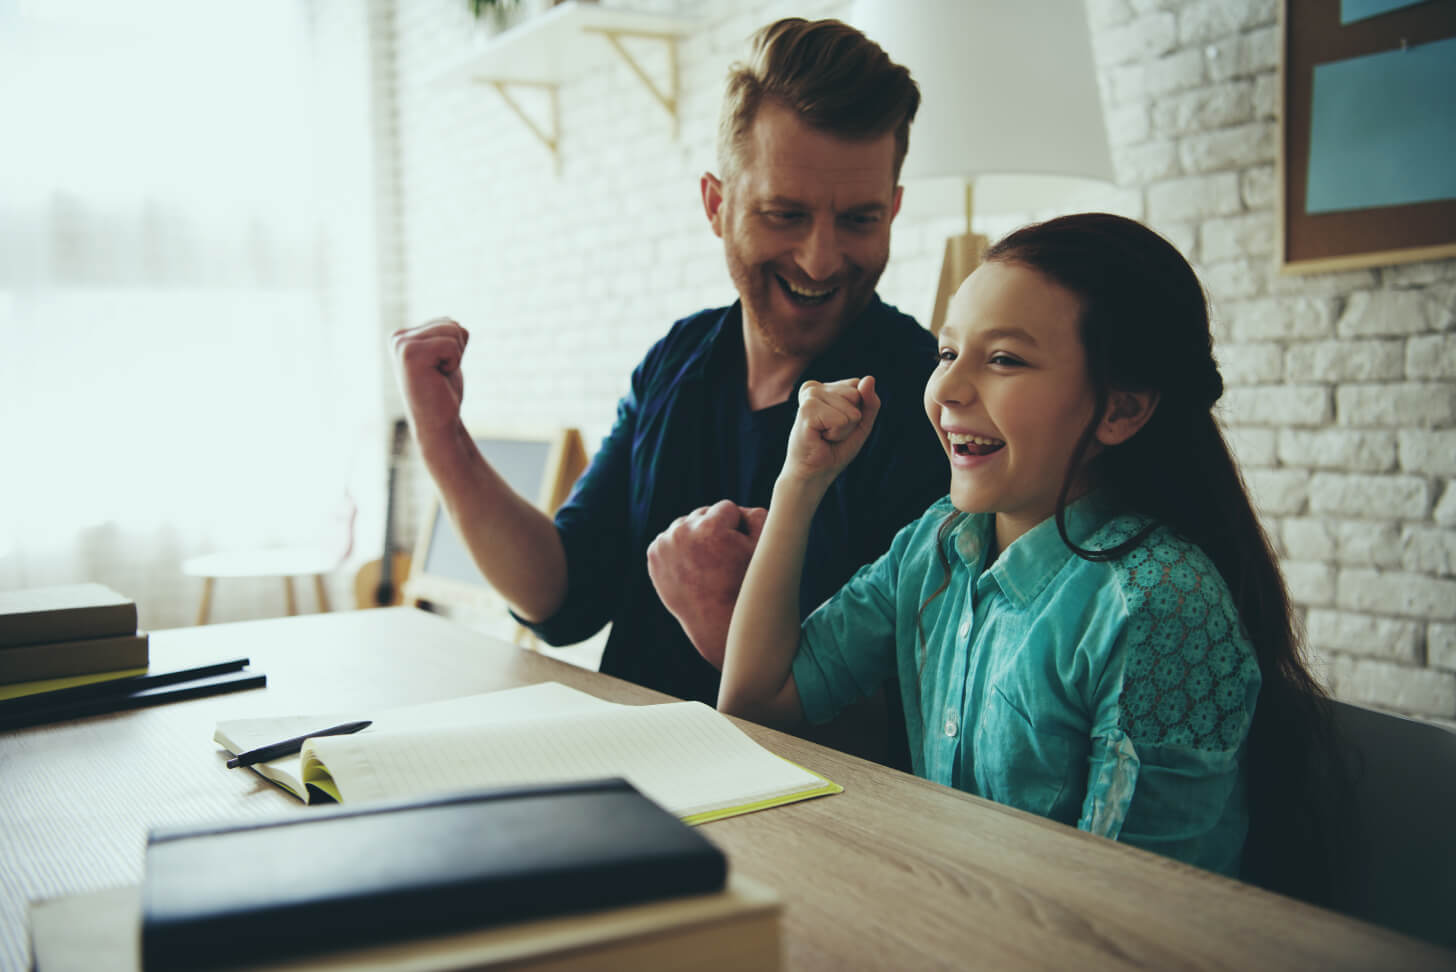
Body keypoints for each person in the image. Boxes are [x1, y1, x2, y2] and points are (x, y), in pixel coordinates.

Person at [716, 212, 1341, 883]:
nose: (948, 391)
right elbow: (758, 699)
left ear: (1121, 410)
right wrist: (801, 481)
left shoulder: (1160, 606)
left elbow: (1129, 913)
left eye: (1005, 359)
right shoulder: (937, 545)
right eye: (949, 353)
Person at [390, 18, 947, 745]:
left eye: (858, 219)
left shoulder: (929, 401)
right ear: (717, 204)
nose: (820, 259)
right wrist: (442, 436)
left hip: (816, 828)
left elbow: (927, 724)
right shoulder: (676, 359)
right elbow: (559, 596)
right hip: (633, 781)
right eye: (785, 214)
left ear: (894, 210)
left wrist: (732, 631)